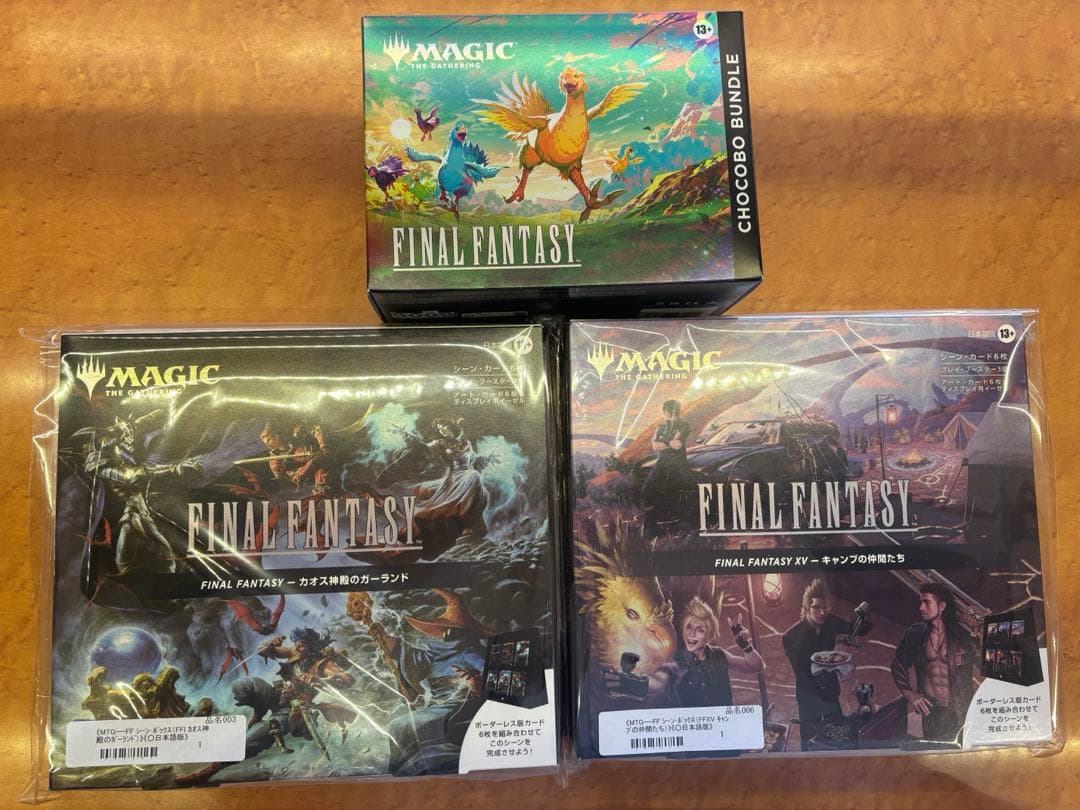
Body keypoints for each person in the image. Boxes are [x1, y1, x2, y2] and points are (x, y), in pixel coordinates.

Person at [604, 596, 765, 708]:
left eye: (700, 630)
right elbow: (659, 683)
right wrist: (629, 682)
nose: (692, 634)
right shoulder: (677, 661)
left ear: (709, 636)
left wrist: (746, 646)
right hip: (694, 735)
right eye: (689, 627)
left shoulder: (720, 655)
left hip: (724, 730)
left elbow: (756, 667)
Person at [781, 579, 869, 750]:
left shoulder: (830, 621)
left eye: (825, 607)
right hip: (809, 695)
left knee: (838, 736)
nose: (822, 612)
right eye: (816, 608)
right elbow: (802, 671)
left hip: (830, 690)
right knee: (809, 743)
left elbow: (855, 629)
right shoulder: (790, 637)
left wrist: (862, 616)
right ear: (806, 608)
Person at [891, 583, 976, 746]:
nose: (921, 608)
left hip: (959, 711)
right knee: (934, 751)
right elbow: (898, 664)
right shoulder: (916, 634)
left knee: (960, 752)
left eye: (926, 602)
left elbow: (989, 662)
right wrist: (910, 695)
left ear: (941, 606)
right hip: (930, 710)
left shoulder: (962, 635)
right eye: (920, 602)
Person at [640, 400, 694, 537]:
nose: (672, 416)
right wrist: (670, 441)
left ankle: (678, 528)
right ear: (665, 413)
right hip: (662, 464)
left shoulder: (684, 426)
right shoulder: (662, 427)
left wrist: (664, 440)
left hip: (678, 465)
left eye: (674, 413)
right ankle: (651, 529)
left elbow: (677, 445)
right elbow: (656, 446)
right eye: (670, 413)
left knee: (676, 495)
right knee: (647, 490)